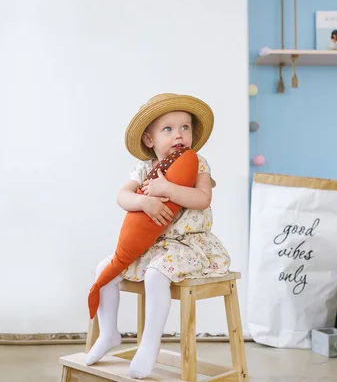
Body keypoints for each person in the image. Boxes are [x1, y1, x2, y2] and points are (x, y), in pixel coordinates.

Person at [85, 93, 231, 379]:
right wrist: (144, 202)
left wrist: (166, 189)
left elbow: (202, 198)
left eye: (185, 128)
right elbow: (122, 196)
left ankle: (149, 344)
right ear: (150, 140)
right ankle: (109, 333)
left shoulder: (197, 163)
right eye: (168, 129)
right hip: (151, 245)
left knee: (156, 274)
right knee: (104, 271)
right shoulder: (144, 169)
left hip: (188, 245)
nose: (179, 134)